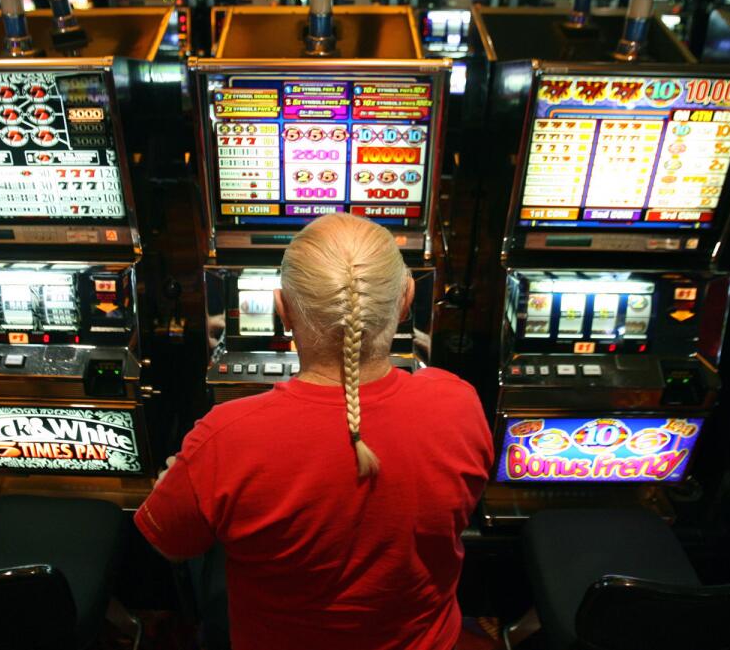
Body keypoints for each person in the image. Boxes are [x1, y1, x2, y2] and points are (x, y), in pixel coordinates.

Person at [135, 213, 493, 650]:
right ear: (406, 301)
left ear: (281, 309)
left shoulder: (225, 437)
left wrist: (185, 477)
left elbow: (172, 545)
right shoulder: (458, 402)